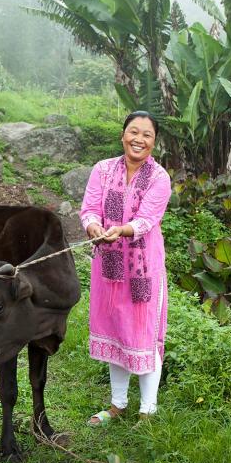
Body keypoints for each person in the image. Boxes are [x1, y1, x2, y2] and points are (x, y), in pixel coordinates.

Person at [79, 110, 171, 425]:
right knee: (115, 329)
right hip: (108, 267)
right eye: (134, 131)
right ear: (123, 135)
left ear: (154, 143)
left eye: (146, 135)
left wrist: (121, 230)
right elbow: (89, 208)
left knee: (144, 333)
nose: (139, 139)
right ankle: (117, 405)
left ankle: (148, 409)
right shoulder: (102, 170)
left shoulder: (159, 178)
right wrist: (93, 227)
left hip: (144, 270)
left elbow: (147, 220)